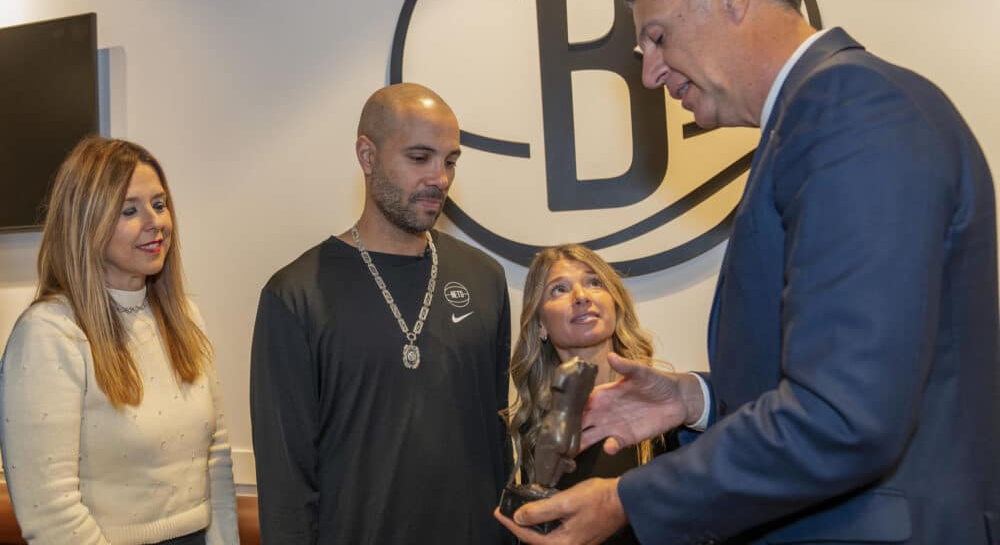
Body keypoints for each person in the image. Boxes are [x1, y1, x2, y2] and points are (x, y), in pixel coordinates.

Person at [495, 0, 1000, 543]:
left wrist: (629, 497)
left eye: (657, 38)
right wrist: (696, 400)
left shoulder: (850, 109)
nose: (650, 72)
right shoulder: (816, 115)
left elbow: (844, 417)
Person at [250, 82, 513, 543]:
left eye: (450, 160)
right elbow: (286, 482)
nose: (440, 178)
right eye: (419, 158)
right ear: (367, 156)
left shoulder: (484, 279)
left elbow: (495, 448)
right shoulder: (295, 295)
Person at [0, 137, 239, 545]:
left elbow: (215, 461)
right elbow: (52, 513)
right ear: (86, 223)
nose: (155, 222)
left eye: (159, 205)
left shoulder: (184, 318)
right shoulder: (49, 334)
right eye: (129, 210)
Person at [502, 244, 678, 544]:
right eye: (559, 289)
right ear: (540, 324)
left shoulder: (665, 402)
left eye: (594, 282)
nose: (582, 296)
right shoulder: (529, 425)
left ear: (614, 303)